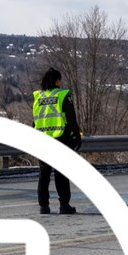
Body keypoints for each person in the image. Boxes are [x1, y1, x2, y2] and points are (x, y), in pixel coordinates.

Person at [31, 68, 81, 214]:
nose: (62, 81)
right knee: (61, 173)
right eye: (60, 79)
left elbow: (35, 120)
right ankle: (64, 204)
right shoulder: (63, 95)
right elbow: (71, 118)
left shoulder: (38, 96)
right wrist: (77, 135)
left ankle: (43, 206)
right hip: (60, 137)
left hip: (42, 139)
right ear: (57, 81)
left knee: (44, 173)